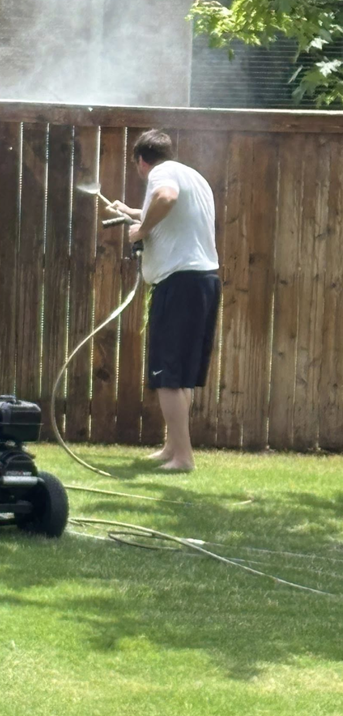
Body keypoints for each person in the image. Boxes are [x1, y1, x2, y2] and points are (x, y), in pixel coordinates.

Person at [108, 129, 220, 471]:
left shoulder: (162, 174)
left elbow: (167, 198)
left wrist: (141, 230)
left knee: (166, 374)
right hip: (203, 281)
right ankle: (172, 448)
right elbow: (174, 217)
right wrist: (134, 213)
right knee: (181, 374)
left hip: (179, 283)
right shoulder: (193, 176)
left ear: (142, 161)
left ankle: (183, 457)